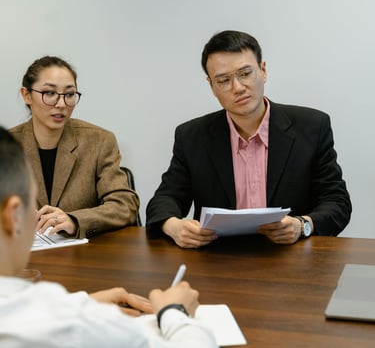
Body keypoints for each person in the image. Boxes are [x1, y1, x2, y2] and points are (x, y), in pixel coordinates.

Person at [0, 127, 217, 347]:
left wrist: (82, 301)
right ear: (13, 216)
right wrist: (174, 313)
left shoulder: (46, 314)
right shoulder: (71, 326)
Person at [146, 30, 351, 248]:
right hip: (217, 260)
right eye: (223, 80)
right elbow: (164, 200)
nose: (238, 88)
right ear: (212, 86)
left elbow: (336, 202)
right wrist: (174, 226)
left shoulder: (311, 126)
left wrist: (302, 225)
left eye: (245, 73)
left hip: (292, 257)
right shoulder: (191, 136)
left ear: (263, 71)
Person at [10, 56, 139, 239]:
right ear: (27, 95)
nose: (61, 104)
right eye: (49, 93)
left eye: (69, 95)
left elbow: (125, 204)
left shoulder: (99, 141)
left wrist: (75, 220)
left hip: (81, 255)